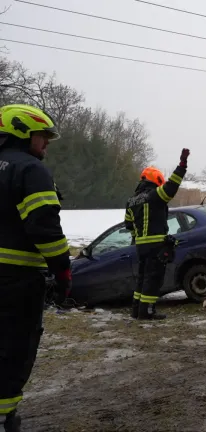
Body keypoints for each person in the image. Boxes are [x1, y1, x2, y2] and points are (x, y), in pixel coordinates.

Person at [0, 104, 71, 432]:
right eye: (43, 136)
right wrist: (62, 270)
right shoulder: (30, 170)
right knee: (15, 349)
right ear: (22, 132)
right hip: (17, 282)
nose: (46, 143)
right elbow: (44, 227)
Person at [125, 149, 189, 320]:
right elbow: (172, 186)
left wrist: (138, 238)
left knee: (142, 278)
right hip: (155, 246)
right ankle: (147, 312)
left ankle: (137, 310)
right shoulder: (155, 195)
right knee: (153, 279)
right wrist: (182, 165)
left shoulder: (131, 201)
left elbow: (128, 225)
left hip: (140, 247)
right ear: (156, 180)